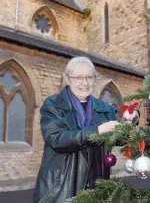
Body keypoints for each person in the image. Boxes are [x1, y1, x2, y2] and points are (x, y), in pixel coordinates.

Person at [33, 57, 119, 203]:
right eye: (78, 77)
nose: (84, 83)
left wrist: (129, 126)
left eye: (89, 77)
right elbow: (57, 139)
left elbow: (115, 138)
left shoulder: (105, 109)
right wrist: (98, 131)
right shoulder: (53, 104)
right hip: (61, 187)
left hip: (96, 183)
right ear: (67, 79)